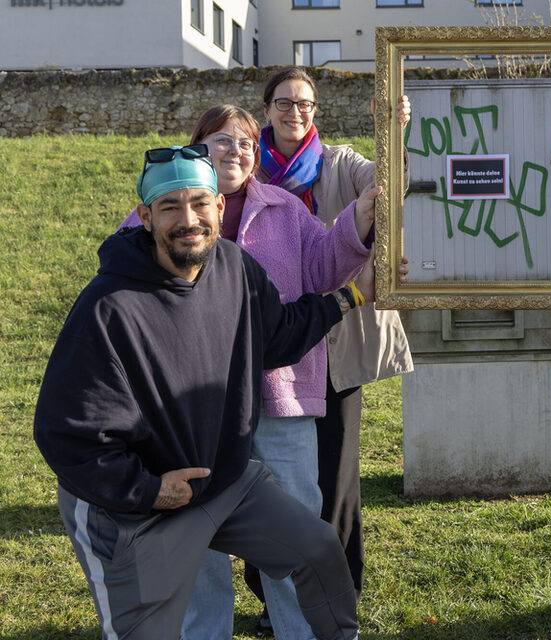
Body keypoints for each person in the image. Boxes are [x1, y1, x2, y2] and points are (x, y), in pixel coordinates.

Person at [34, 145, 376, 640]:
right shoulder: (107, 308)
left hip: (225, 482)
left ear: (219, 206)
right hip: (135, 507)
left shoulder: (233, 266)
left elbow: (277, 336)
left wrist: (352, 295)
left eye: (199, 203)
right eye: (170, 207)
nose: (188, 220)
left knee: (318, 549)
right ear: (146, 218)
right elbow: (64, 434)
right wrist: (149, 491)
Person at [254, 65, 413, 616]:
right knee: (268, 479)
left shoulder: (340, 162)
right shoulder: (250, 170)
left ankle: (338, 594)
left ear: (316, 110)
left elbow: (390, 186)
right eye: (284, 102)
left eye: (305, 103)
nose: (294, 112)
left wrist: (393, 133)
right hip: (274, 349)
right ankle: (275, 596)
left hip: (336, 339)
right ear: (266, 110)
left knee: (334, 478)